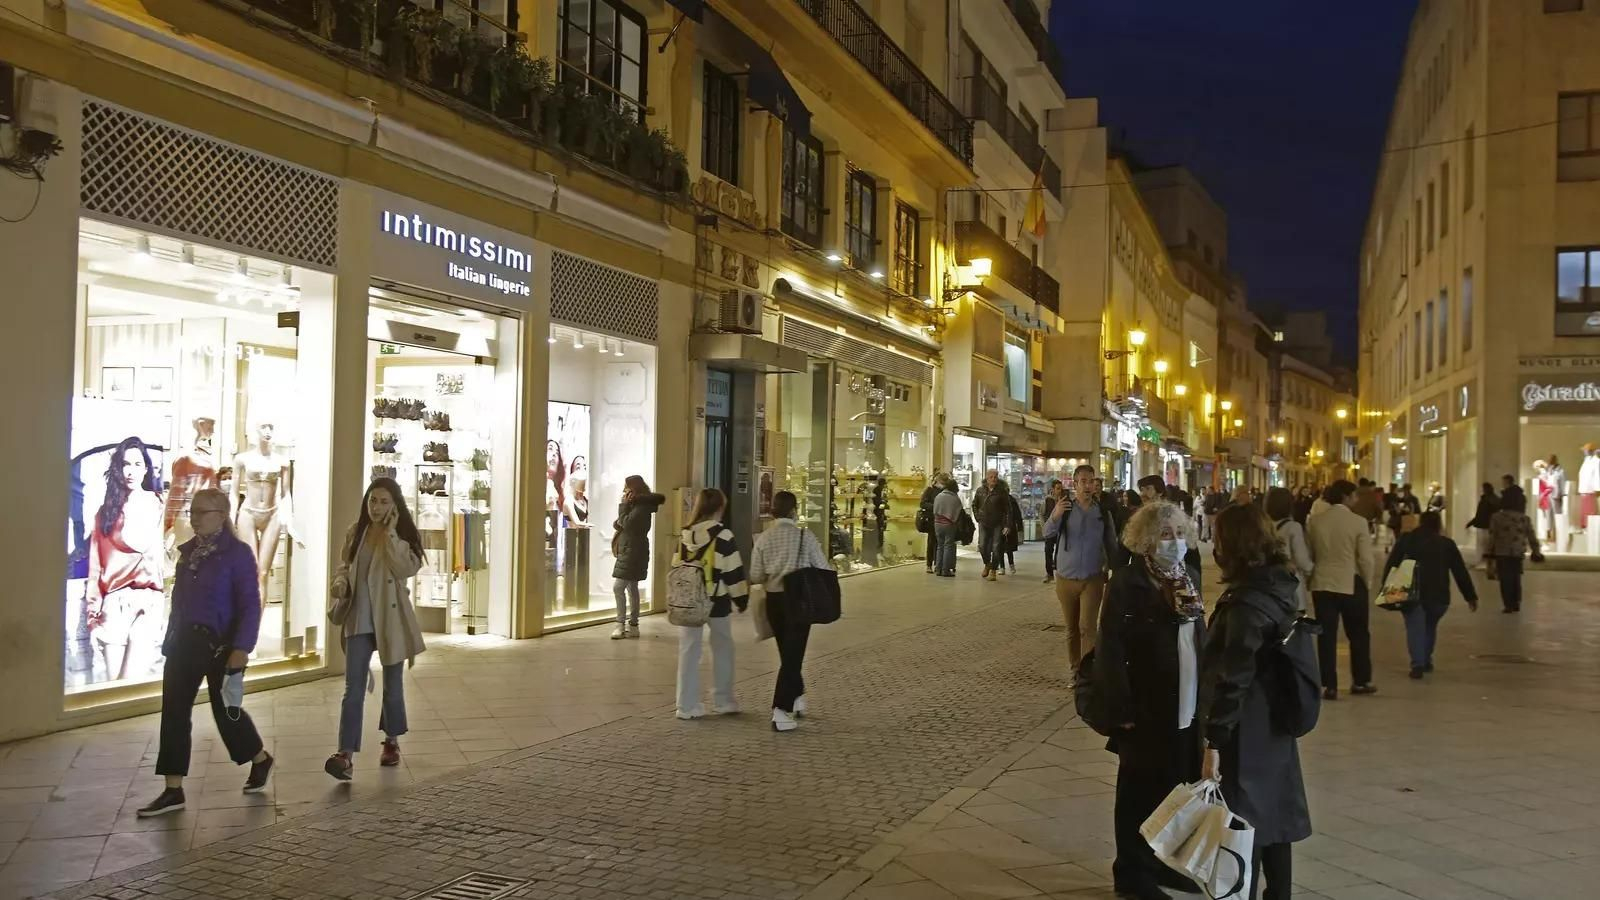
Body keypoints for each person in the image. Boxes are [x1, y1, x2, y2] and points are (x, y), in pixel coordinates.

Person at [1199, 504, 1312, 900]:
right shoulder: (1278, 585)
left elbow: (1233, 679)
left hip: (1247, 728)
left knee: (1246, 823)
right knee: (1276, 817)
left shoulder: (1246, 605)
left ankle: (1241, 893)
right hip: (1274, 721)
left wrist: (1214, 742)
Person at [136, 489, 273, 817]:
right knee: (174, 711)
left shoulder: (237, 554)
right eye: (193, 512)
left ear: (221, 516)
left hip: (221, 645)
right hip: (185, 642)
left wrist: (242, 648)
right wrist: (171, 638)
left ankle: (259, 758)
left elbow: (250, 604)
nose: (194, 518)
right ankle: (173, 789)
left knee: (226, 711)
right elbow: (180, 602)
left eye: (202, 512)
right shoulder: (189, 552)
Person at [1096, 502, 1205, 900]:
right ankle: (1131, 872)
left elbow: (1197, 635)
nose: (1174, 542)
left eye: (1179, 534)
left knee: (1174, 788)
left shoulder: (1188, 575)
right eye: (1164, 535)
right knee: (1137, 792)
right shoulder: (1128, 581)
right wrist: (1120, 707)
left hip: (1186, 704)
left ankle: (1160, 861)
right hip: (1145, 706)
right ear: (1146, 540)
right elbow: (1110, 646)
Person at [326, 477, 426, 780]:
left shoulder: (401, 535)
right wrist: (340, 582)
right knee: (353, 688)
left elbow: (406, 568)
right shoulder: (356, 531)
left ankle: (391, 741)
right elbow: (346, 566)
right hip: (359, 618)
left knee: (392, 686)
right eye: (372, 500)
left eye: (383, 502)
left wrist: (391, 533)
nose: (376, 507)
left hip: (389, 618)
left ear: (394, 506)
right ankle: (345, 754)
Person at [748, 490, 833, 732]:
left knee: (788, 653)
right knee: (793, 656)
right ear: (794, 510)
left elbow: (755, 575)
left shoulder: (763, 538)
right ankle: (780, 709)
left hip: (774, 601)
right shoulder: (805, 537)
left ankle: (797, 696)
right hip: (799, 601)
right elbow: (823, 566)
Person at [86, 437, 167, 683]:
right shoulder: (106, 514)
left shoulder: (160, 504)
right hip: (115, 603)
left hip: (149, 601)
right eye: (125, 464)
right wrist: (92, 618)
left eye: (137, 464)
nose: (131, 471)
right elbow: (95, 567)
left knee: (130, 686)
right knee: (114, 690)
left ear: (146, 468)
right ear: (118, 468)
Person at [674, 489, 749, 719]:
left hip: (689, 601)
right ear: (720, 508)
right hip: (717, 600)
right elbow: (733, 570)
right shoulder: (723, 535)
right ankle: (723, 701)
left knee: (688, 651)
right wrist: (741, 599)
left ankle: (685, 706)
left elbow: (677, 565)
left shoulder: (685, 534)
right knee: (723, 649)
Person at [1045, 465, 1123, 670]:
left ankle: (1087, 675)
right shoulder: (1065, 508)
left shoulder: (1102, 512)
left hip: (1092, 578)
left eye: (1091, 481)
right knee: (1071, 629)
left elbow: (1111, 544)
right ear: (1075, 484)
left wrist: (1116, 572)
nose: (1088, 486)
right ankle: (1075, 669)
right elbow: (1047, 532)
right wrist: (1055, 515)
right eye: (1083, 481)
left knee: (1088, 628)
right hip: (1065, 578)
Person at [1383, 510, 1478, 679]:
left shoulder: (1406, 540)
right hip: (1439, 595)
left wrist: (1386, 586)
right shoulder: (1447, 544)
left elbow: (1392, 564)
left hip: (1411, 591)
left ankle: (1417, 664)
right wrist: (1470, 596)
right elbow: (1460, 571)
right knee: (1429, 627)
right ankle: (1425, 659)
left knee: (1415, 627)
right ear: (1438, 525)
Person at [1305, 480, 1377, 699]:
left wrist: (1311, 579)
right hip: (1350, 581)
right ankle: (1361, 681)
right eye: (1354, 495)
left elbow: (1310, 554)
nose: (1356, 499)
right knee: (1358, 633)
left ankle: (1329, 685)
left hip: (1323, 583)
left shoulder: (1315, 521)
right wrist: (1367, 582)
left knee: (1326, 635)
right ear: (1346, 496)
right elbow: (1365, 559)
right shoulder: (1358, 522)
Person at [612, 475, 666, 639]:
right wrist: (624, 511)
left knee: (619, 587)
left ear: (633, 489)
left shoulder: (642, 507)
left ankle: (620, 624)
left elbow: (627, 524)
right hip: (630, 549)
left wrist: (623, 506)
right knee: (631, 587)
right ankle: (633, 625)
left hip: (633, 551)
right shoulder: (637, 505)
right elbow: (621, 523)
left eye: (626, 488)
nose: (624, 491)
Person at [1488, 490, 1540, 613]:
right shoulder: (1524, 518)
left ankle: (1508, 604)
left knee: (1505, 578)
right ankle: (1516, 602)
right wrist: (1536, 550)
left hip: (1502, 552)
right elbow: (1531, 536)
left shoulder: (1497, 517)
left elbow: (1492, 536)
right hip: (1518, 552)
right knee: (1516, 577)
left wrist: (1489, 554)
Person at [1267, 487, 1314, 612]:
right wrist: (1311, 570)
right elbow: (1301, 559)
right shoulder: (1293, 527)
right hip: (1290, 584)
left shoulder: (1263, 525)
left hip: (1268, 584)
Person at [976, 472, 1014, 581]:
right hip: (984, 522)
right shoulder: (980, 491)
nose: (993, 479)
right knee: (982, 546)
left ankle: (993, 570)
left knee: (996, 547)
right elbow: (975, 504)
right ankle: (987, 564)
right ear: (987, 478)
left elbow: (1008, 509)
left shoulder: (1001, 492)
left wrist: (1007, 525)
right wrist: (978, 517)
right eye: (991, 477)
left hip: (997, 523)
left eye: (995, 477)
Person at [1465, 483, 1499, 576]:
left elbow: (1480, 514)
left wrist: (1471, 522)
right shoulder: (1495, 499)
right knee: (1489, 547)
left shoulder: (1486, 500)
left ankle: (1488, 567)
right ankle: (1490, 567)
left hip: (1485, 526)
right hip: (1490, 526)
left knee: (1487, 547)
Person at [932, 478, 964, 577]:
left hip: (937, 524)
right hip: (949, 524)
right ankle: (945, 570)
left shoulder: (939, 496)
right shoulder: (955, 498)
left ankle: (938, 568)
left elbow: (934, 510)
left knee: (940, 546)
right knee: (948, 546)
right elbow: (958, 512)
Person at [919, 474, 944, 574]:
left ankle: (938, 564)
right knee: (931, 542)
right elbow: (923, 503)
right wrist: (935, 507)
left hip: (943, 519)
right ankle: (929, 564)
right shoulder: (930, 490)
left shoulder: (945, 491)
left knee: (940, 543)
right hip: (932, 519)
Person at [1043, 480, 1064, 582]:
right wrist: (1044, 526)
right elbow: (1042, 514)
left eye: (1061, 489)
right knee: (1048, 551)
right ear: (1053, 490)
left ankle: (1060, 573)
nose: (1060, 491)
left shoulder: (1064, 500)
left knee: (1060, 552)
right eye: (1058, 488)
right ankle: (1049, 574)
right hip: (1050, 530)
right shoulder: (1048, 500)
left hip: (1061, 530)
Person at [1002, 490, 1024, 575]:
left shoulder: (1012, 500)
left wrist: (1019, 526)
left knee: (1008, 547)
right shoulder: (998, 499)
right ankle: (1002, 567)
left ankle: (1011, 565)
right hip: (999, 525)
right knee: (1000, 547)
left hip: (1010, 526)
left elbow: (1017, 514)